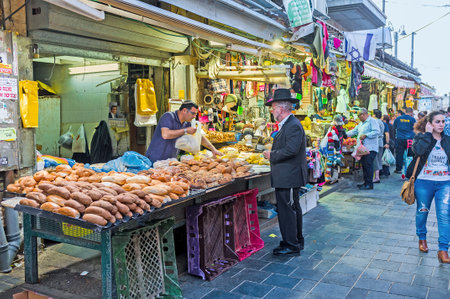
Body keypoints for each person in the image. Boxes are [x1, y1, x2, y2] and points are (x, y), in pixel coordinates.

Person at [263, 88, 307, 256]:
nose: (272, 111)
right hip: (286, 176)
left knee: (289, 210)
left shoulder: (293, 125)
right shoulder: (288, 125)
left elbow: (291, 150)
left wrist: (271, 154)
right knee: (291, 208)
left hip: (289, 176)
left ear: (281, 109)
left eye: (273, 108)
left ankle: (292, 244)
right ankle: (293, 240)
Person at [406, 111, 449, 263]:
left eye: (443, 121)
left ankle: (443, 250)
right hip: (424, 181)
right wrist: (428, 135)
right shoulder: (421, 137)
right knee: (422, 212)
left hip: (445, 182)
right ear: (430, 123)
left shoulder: (448, 140)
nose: (441, 125)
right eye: (437, 122)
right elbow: (417, 151)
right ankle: (422, 238)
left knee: (444, 216)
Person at [145, 101, 221, 163]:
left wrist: (213, 148)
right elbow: (165, 135)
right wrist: (185, 131)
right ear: (184, 110)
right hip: (155, 160)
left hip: (170, 161)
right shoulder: (168, 116)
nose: (194, 116)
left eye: (196, 114)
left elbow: (199, 137)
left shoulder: (187, 123)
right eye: (193, 113)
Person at [347, 108, 381, 190]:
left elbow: (377, 131)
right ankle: (366, 182)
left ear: (364, 114)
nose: (359, 118)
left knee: (368, 166)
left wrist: (366, 135)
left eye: (359, 116)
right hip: (363, 150)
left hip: (370, 148)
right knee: (365, 166)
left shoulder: (372, 121)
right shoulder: (361, 123)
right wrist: (343, 134)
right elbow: (354, 131)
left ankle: (369, 184)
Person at [393, 107, 416, 174]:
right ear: (411, 112)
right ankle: (409, 169)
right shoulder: (412, 119)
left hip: (400, 138)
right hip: (410, 139)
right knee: (410, 155)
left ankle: (398, 169)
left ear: (405, 111)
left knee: (399, 154)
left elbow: (394, 127)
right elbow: (415, 128)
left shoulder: (398, 118)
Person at [372, 109, 386, 183]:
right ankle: (377, 175)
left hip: (376, 141)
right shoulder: (381, 122)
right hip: (380, 141)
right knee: (379, 159)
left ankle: (376, 177)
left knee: (376, 159)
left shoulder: (376, 121)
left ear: (374, 115)